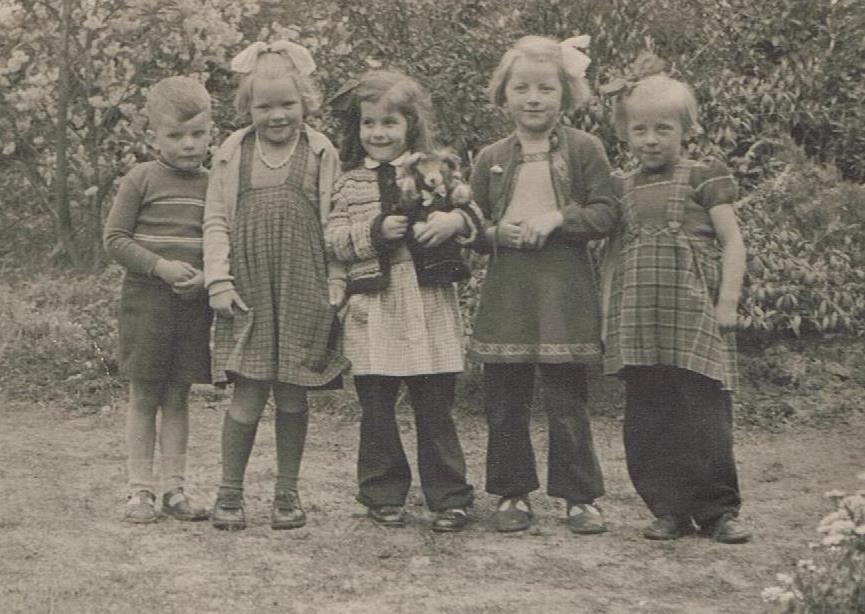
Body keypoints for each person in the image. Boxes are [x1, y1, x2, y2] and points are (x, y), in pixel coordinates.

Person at [468, 35, 617, 534]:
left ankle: (579, 497)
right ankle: (512, 493)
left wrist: (557, 218)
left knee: (566, 399)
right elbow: (471, 225)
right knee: (505, 399)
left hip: (563, 290)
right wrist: (496, 234)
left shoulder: (585, 149)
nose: (533, 99)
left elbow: (606, 213)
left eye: (546, 89)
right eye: (522, 88)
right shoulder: (490, 156)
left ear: (566, 94)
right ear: (504, 94)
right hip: (508, 292)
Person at [601, 57, 751, 543]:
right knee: (648, 418)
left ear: (686, 130)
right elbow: (612, 255)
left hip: (694, 319)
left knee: (704, 417)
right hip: (638, 324)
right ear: (625, 133)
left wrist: (727, 302)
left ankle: (717, 511)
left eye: (663, 129)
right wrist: (605, 315)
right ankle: (667, 509)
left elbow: (733, 242)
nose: (650, 140)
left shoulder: (704, 176)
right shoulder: (620, 187)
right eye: (639, 129)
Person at [325, 70, 480, 532]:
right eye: (368, 123)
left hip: (427, 300)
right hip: (375, 305)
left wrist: (454, 223)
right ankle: (383, 492)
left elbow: (474, 214)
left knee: (434, 403)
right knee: (376, 404)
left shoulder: (435, 170)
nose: (378, 133)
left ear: (411, 124)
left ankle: (450, 495)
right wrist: (375, 232)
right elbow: (333, 239)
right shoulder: (350, 183)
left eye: (389, 122)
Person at [204, 41, 349, 531]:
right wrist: (218, 280)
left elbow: (336, 221)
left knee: (292, 395)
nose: (277, 115)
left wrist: (336, 278)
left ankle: (287, 493)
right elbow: (216, 220)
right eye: (264, 106)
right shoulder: (233, 151)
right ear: (247, 107)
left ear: (305, 101)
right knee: (247, 395)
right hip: (248, 289)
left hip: (302, 286)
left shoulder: (321, 150)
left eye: (287, 103)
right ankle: (229, 493)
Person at [104, 76, 214, 524]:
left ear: (211, 132)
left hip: (192, 304)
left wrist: (206, 277)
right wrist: (160, 266)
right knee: (145, 394)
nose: (188, 144)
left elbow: (222, 242)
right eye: (176, 135)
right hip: (147, 301)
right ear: (155, 136)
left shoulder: (215, 184)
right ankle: (139, 490)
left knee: (178, 396)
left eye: (198, 133)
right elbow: (115, 239)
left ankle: (174, 489)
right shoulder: (141, 179)